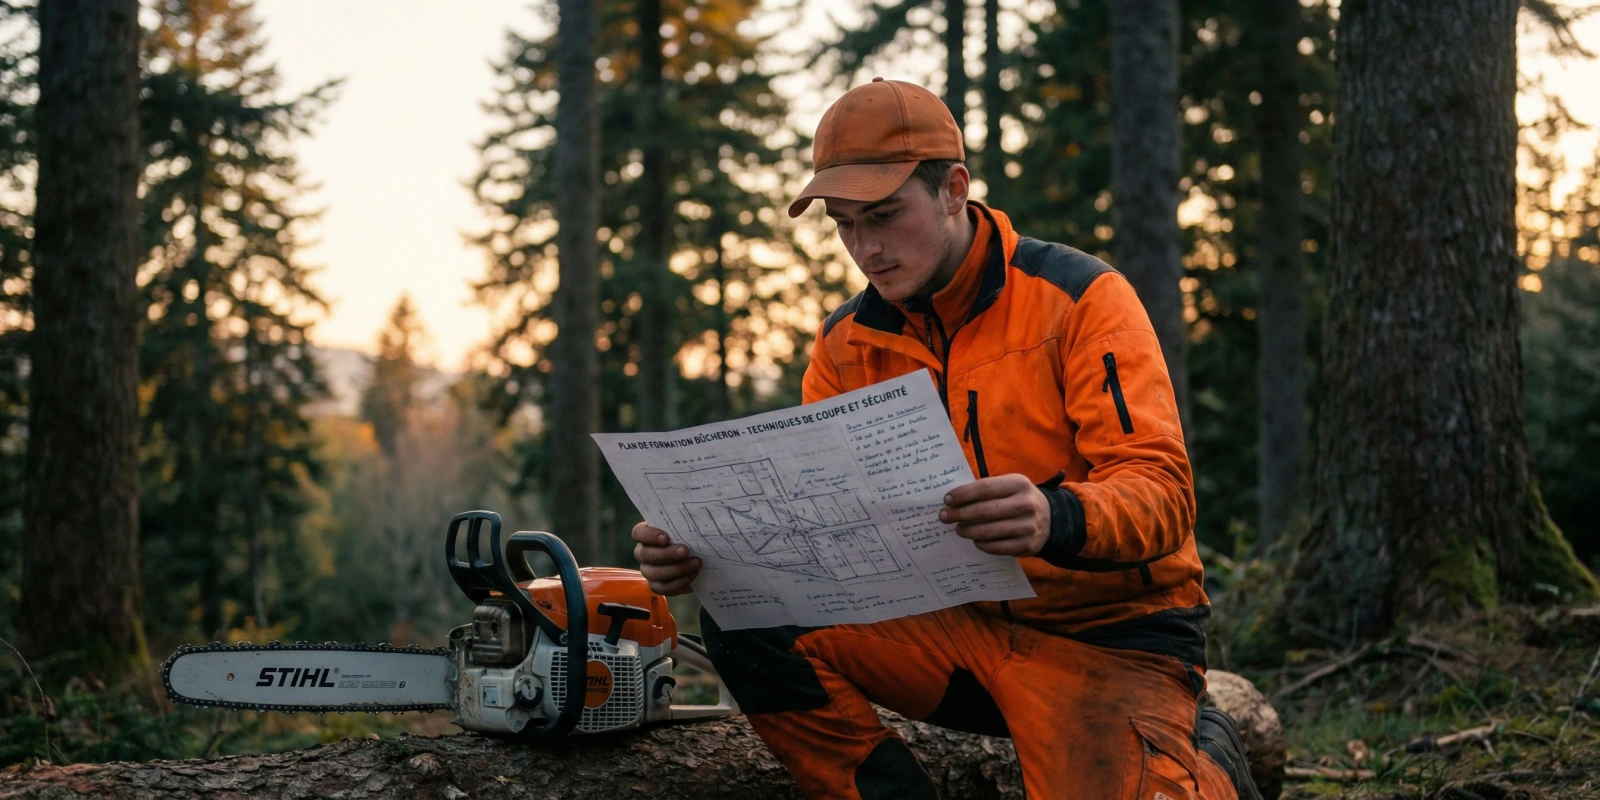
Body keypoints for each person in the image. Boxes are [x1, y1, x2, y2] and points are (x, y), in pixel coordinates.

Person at [632, 77, 1261, 800]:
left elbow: (1164, 494)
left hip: (1109, 639)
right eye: (843, 223)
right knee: (747, 615)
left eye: (884, 215)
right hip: (952, 636)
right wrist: (703, 550)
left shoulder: (1082, 300)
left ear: (954, 189)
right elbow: (819, 533)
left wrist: (1055, 516)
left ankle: (1206, 760)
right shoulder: (844, 344)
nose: (865, 247)